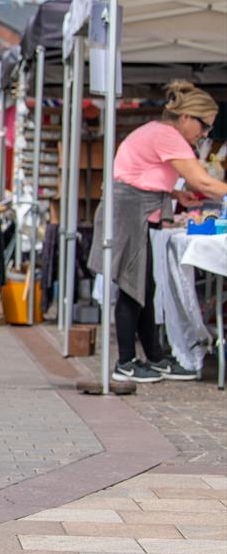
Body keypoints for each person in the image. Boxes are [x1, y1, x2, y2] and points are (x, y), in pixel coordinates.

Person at [90, 81, 226, 384]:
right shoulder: (169, 136)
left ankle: (153, 357)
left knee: (144, 287)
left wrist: (175, 197)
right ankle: (125, 362)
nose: (204, 135)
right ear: (187, 118)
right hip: (129, 212)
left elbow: (142, 174)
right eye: (204, 127)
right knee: (132, 287)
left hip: (131, 209)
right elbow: (202, 182)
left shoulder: (156, 131)